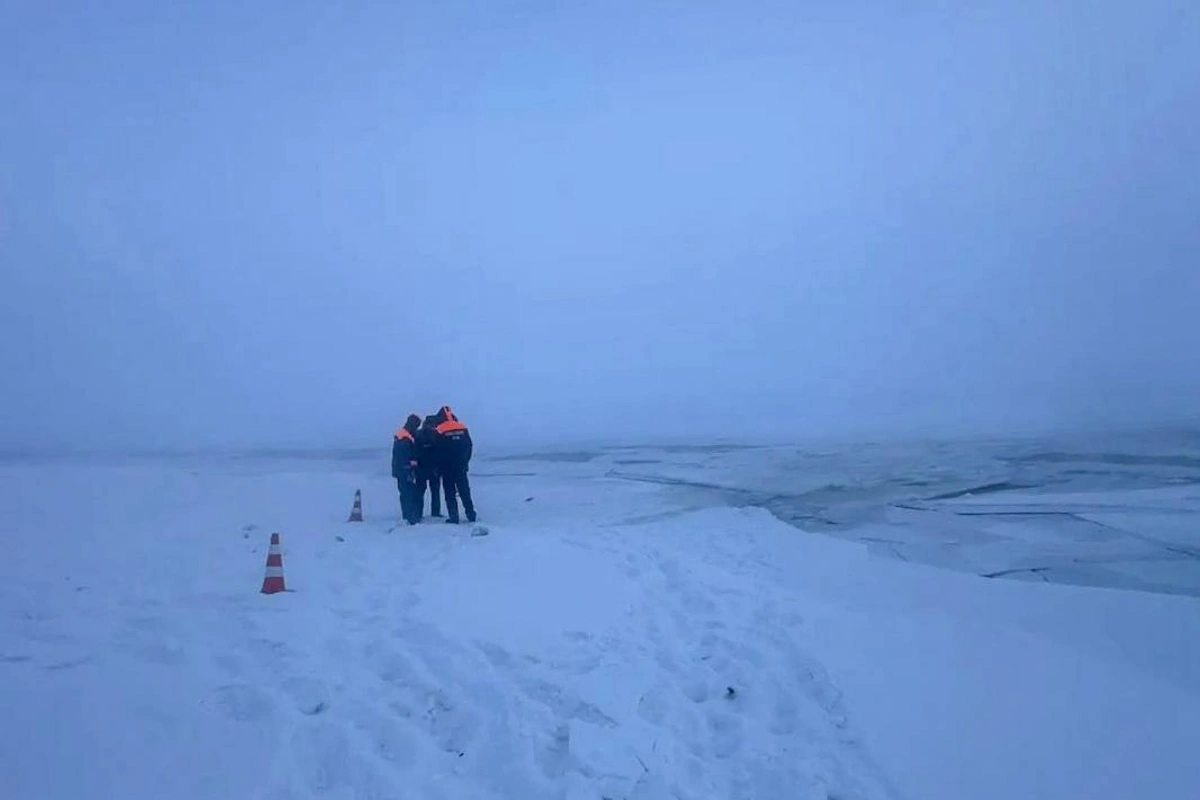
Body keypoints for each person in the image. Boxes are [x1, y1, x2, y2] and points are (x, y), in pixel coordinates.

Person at [433, 405, 476, 524]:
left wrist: (438, 467)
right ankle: (471, 514)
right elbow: (469, 446)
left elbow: (436, 450)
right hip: (461, 466)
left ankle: (454, 517)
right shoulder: (462, 427)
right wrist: (465, 461)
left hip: (447, 468)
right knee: (464, 491)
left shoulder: (439, 429)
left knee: (450, 493)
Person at [391, 414, 422, 525]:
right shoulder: (404, 437)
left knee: (406, 493)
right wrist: (411, 466)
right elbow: (404, 455)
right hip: (404, 470)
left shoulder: (403, 434)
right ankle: (410, 517)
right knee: (408, 493)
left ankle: (408, 515)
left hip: (400, 469)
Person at [414, 415, 442, 519]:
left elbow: (414, 451)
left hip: (420, 468)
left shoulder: (417, 434)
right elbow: (439, 452)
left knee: (420, 491)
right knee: (435, 491)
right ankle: (435, 512)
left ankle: (418, 513)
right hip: (434, 467)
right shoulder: (436, 434)